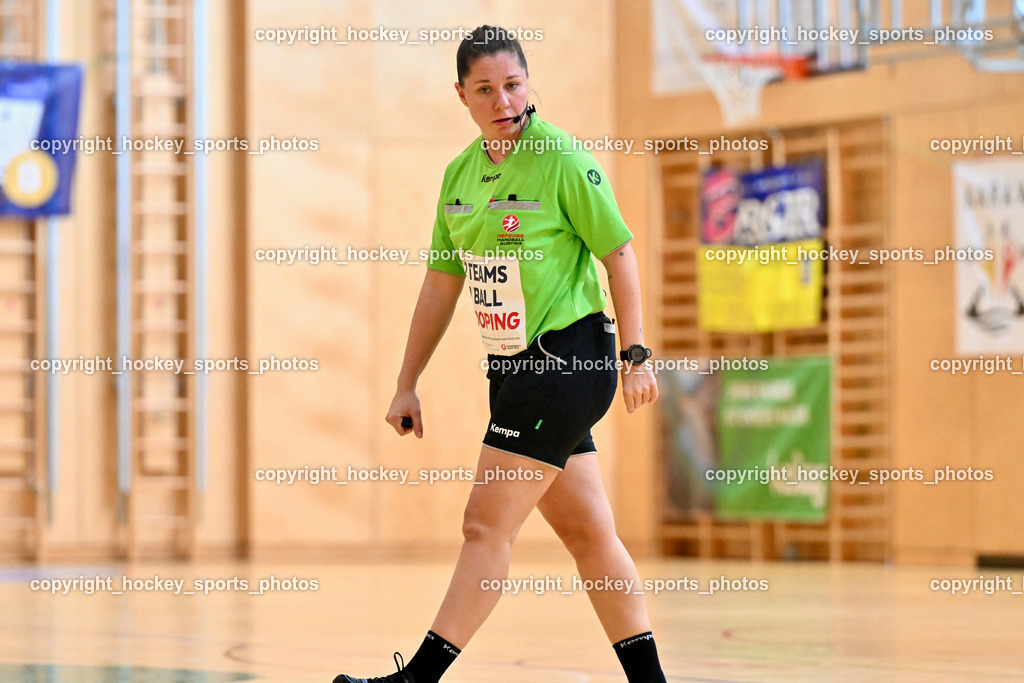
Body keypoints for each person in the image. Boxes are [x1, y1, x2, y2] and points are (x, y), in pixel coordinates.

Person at [335, 25, 667, 683]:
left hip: (567, 361)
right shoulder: (459, 177)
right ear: (461, 95)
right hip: (514, 372)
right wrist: (407, 381)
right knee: (589, 534)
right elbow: (440, 284)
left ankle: (415, 680)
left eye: (513, 85)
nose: (503, 100)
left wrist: (635, 353)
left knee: (484, 525)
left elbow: (620, 252)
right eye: (485, 89)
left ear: (528, 82)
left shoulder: (562, 160)